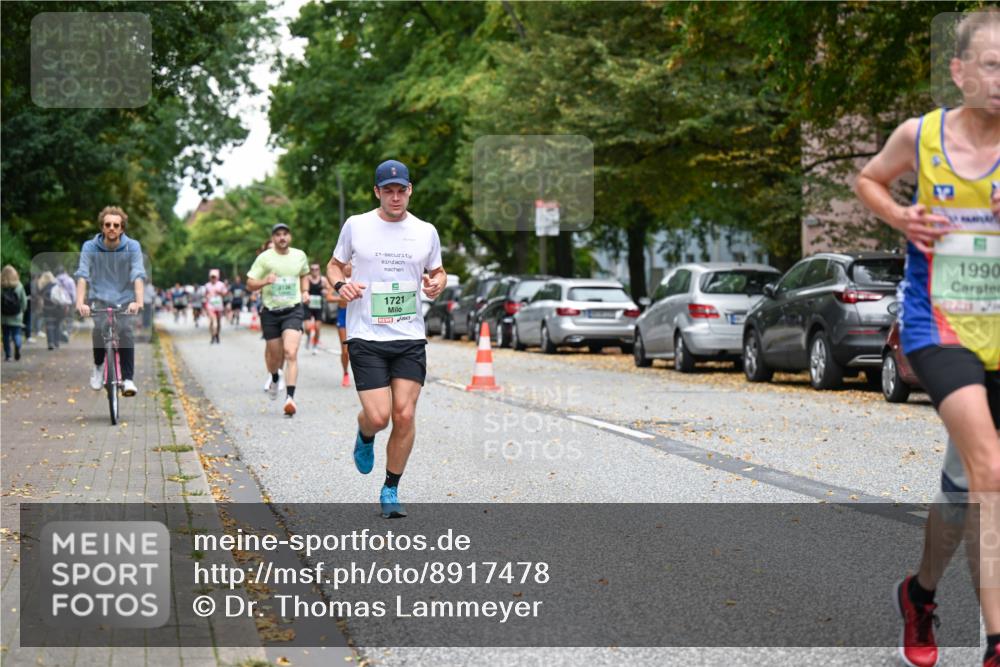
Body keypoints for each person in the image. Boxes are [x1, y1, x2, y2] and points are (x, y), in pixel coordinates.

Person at [854, 10, 1000, 667]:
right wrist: (901, 215)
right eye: (993, 65)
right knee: (992, 471)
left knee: (962, 485)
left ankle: (920, 593)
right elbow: (867, 179)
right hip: (937, 325)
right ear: (960, 70)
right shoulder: (922, 135)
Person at [327, 159, 446, 519]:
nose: (395, 197)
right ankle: (365, 434)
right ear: (377, 192)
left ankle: (391, 487)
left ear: (410, 190)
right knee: (379, 417)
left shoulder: (426, 231)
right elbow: (334, 265)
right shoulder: (357, 225)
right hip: (366, 334)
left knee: (404, 414)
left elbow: (437, 271)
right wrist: (340, 284)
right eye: (388, 190)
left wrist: (439, 282)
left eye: (401, 190)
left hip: (409, 335)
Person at [74, 205, 145, 396]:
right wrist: (80, 303)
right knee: (98, 330)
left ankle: (128, 379)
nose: (112, 228)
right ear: (102, 227)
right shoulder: (90, 247)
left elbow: (138, 274)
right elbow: (82, 275)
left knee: (127, 333)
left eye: (116, 225)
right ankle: (98, 367)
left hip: (125, 298)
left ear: (122, 228)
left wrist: (138, 301)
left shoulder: (132, 246)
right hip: (99, 297)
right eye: (108, 224)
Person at [246, 223, 310, 417]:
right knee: (274, 357)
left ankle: (290, 398)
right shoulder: (264, 258)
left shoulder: (299, 255)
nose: (282, 237)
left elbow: (304, 274)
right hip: (271, 312)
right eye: (278, 235)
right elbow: (250, 283)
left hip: (293, 310)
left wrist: (305, 290)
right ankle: (274, 377)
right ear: (273, 238)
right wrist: (265, 281)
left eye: (285, 234)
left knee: (291, 352)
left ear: (289, 237)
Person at [304, 262, 332, 355]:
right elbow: (303, 289)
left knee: (317, 328)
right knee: (307, 327)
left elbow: (329, 289)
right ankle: (308, 336)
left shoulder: (323, 279)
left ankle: (315, 345)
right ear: (310, 270)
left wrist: (326, 291)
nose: (314, 271)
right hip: (308, 305)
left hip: (318, 305)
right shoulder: (307, 279)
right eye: (312, 269)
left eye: (316, 269)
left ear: (319, 270)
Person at [1, 265, 27, 361]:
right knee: (16, 334)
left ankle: (8, 355)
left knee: (6, 336)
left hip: (4, 316)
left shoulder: (1, 286)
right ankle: (17, 345)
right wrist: (22, 310)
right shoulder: (19, 286)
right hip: (16, 315)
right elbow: (24, 301)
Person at [37, 271, 68, 350]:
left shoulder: (43, 288)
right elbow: (62, 297)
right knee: (57, 325)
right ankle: (56, 342)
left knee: (49, 325)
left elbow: (41, 300)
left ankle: (50, 343)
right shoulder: (57, 286)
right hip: (58, 309)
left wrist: (40, 309)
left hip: (47, 309)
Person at [336, 264, 353, 387]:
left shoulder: (359, 278)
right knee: (345, 350)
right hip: (343, 315)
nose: (347, 266)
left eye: (350, 264)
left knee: (358, 349)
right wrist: (342, 298)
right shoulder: (338, 280)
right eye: (345, 264)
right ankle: (346, 373)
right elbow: (328, 297)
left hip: (356, 316)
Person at [203, 269, 228, 344]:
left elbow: (225, 294)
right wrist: (207, 297)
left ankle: (217, 334)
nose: (213, 278)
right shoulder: (207, 285)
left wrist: (219, 292)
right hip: (210, 305)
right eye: (212, 277)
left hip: (219, 305)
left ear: (217, 277)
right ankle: (212, 335)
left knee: (218, 322)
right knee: (212, 321)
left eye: (214, 277)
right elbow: (205, 294)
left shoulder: (221, 284)